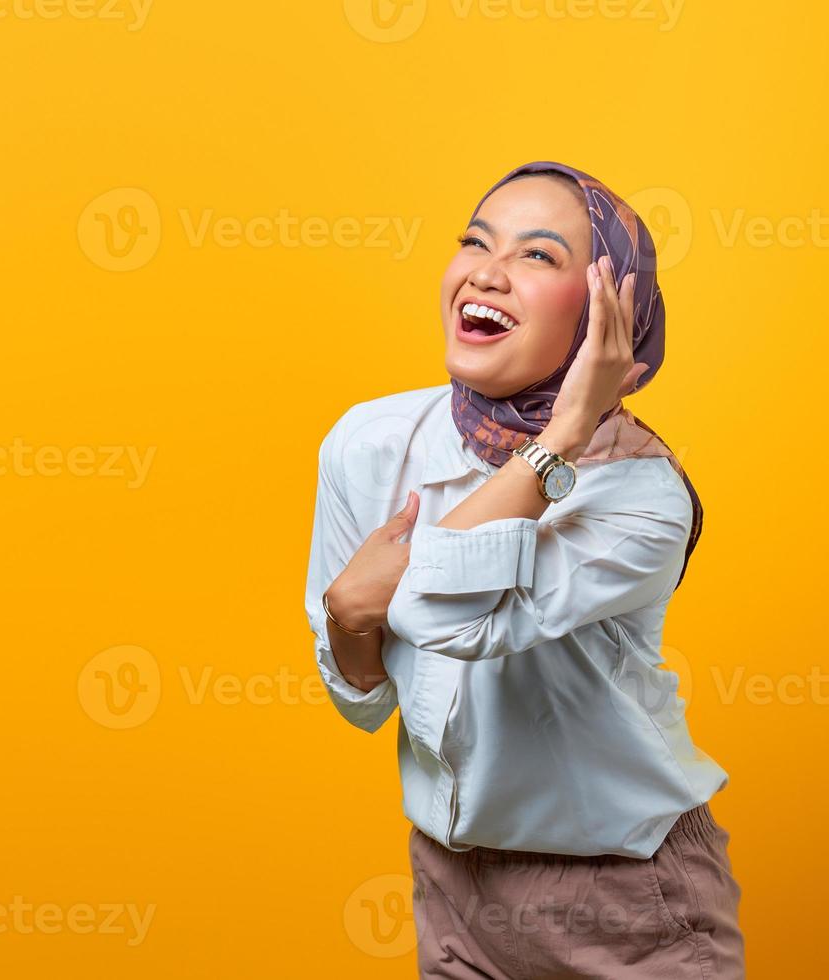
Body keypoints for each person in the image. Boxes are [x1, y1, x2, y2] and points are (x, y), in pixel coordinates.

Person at [304, 161, 744, 977]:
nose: (486, 271)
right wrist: (348, 618)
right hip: (450, 878)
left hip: (625, 890)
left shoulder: (641, 495)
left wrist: (565, 433)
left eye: (538, 256)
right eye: (475, 241)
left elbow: (444, 616)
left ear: (609, 317)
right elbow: (360, 697)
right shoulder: (369, 443)